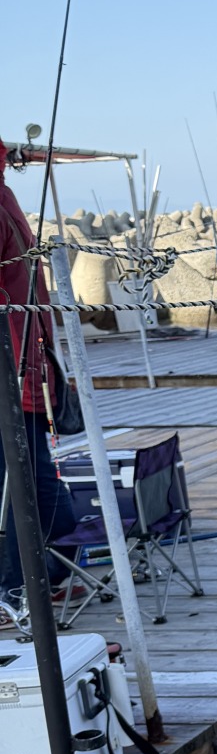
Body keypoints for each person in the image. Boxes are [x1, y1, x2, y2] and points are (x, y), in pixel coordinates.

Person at [0, 147, 77, 613]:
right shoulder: (5, 199)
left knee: (21, 488)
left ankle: (22, 585)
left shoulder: (4, 200)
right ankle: (42, 577)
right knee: (29, 481)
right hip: (22, 367)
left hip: (17, 369)